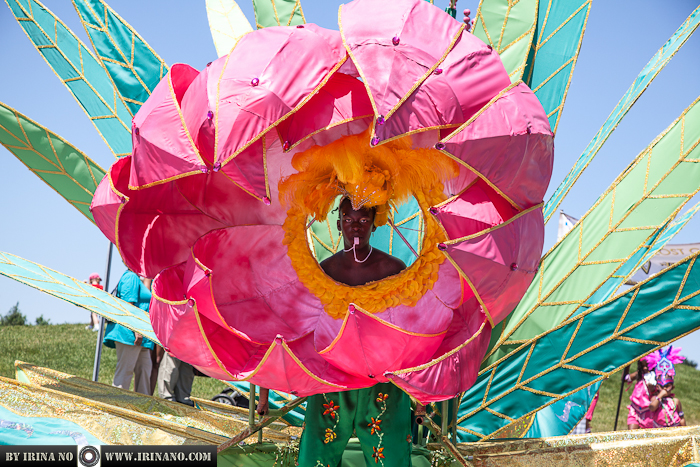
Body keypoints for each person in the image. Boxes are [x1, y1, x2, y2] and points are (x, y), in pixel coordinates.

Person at [259, 198, 412, 466]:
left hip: (382, 377)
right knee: (317, 453)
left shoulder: (393, 269)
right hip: (332, 374)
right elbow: (297, 326)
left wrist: (419, 390)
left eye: (363, 220)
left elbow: (410, 328)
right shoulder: (324, 271)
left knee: (392, 455)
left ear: (374, 225)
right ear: (339, 223)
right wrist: (263, 389)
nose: (356, 228)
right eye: (349, 220)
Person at [103, 269, 154, 395]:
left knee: (145, 371)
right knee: (124, 373)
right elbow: (127, 307)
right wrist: (136, 330)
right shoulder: (131, 277)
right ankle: (116, 406)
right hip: (129, 335)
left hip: (142, 337)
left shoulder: (136, 278)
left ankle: (142, 407)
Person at [628, 346, 686, 429]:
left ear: (672, 387)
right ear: (658, 387)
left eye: (667, 386)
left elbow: (682, 418)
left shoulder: (676, 401)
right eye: (662, 387)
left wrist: (686, 433)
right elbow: (652, 407)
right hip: (640, 414)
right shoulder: (656, 400)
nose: (664, 389)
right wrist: (660, 396)